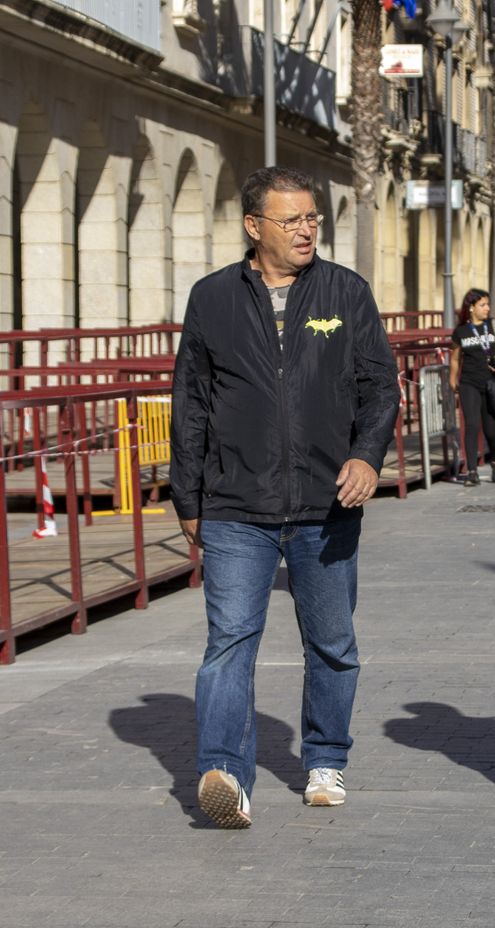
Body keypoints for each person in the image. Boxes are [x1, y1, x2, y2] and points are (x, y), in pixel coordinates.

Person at [169, 166, 399, 829]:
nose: (305, 230)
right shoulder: (212, 298)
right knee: (229, 640)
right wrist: (189, 499)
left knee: (331, 641)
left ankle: (325, 758)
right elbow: (191, 405)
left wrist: (365, 455)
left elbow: (379, 387)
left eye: (311, 219)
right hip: (235, 504)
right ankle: (224, 775)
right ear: (253, 227)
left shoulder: (344, 292)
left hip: (326, 506)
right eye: (291, 219)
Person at [448, 288, 495, 484]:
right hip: (469, 383)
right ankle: (472, 472)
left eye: (488, 304)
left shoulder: (494, 326)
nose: (487, 308)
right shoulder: (461, 332)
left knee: (491, 430)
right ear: (471, 308)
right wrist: (453, 379)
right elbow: (454, 359)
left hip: (491, 383)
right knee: (471, 425)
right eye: (483, 305)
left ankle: (494, 463)